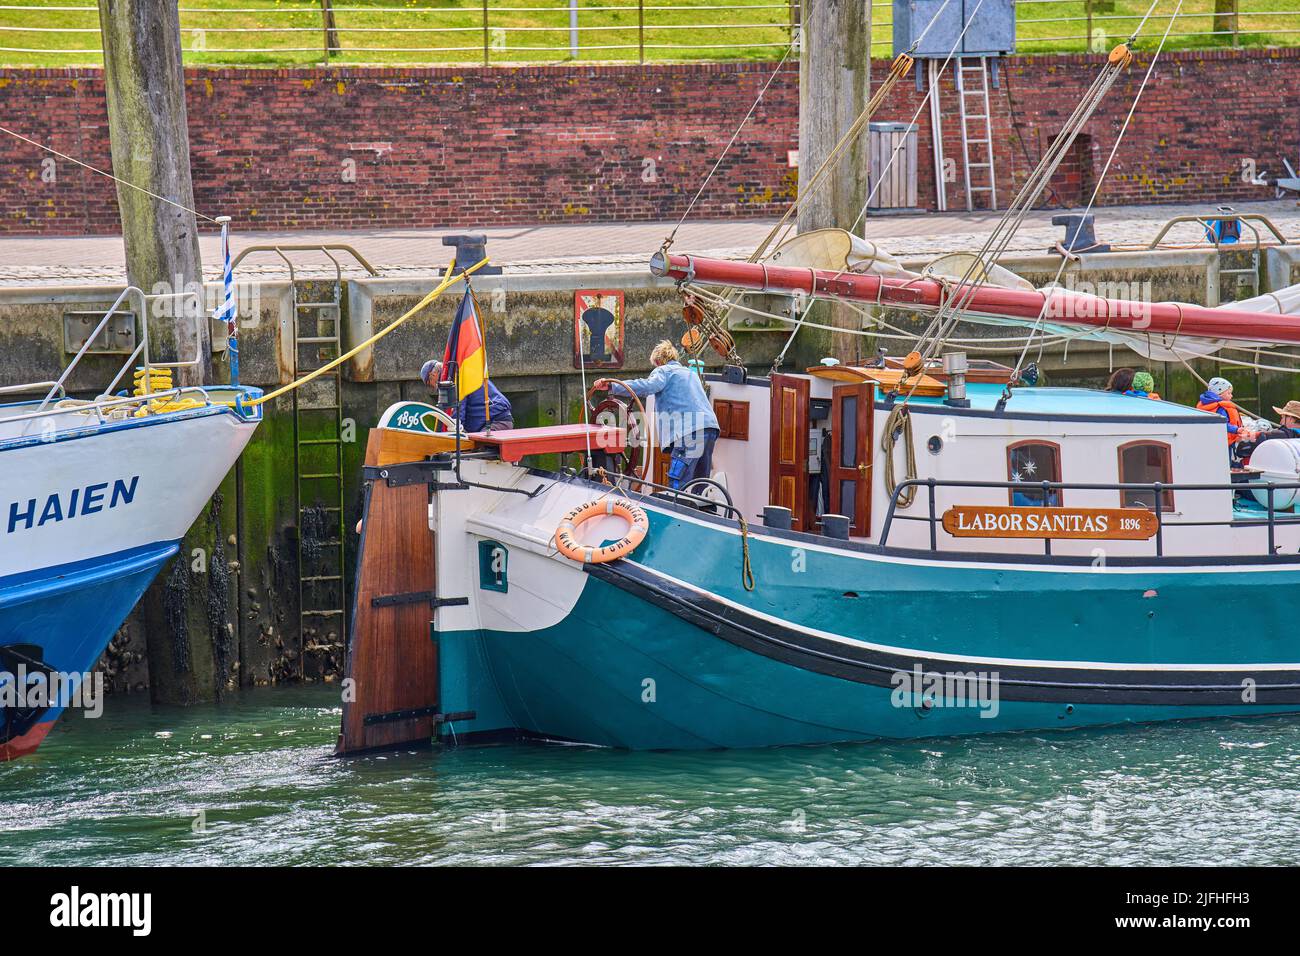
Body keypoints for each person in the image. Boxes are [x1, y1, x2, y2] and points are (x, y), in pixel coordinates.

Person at [595, 340, 720, 490]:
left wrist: (612, 386)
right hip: (710, 428)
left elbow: (647, 386)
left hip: (689, 431)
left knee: (677, 482)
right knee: (700, 481)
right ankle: (704, 511)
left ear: (659, 361)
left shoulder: (663, 371)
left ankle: (675, 510)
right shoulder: (690, 374)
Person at [420, 358, 513, 432]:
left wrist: (454, 429)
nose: (432, 387)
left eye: (429, 383)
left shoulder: (457, 379)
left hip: (495, 421)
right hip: (494, 420)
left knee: (472, 452)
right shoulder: (459, 375)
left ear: (432, 374)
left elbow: (458, 408)